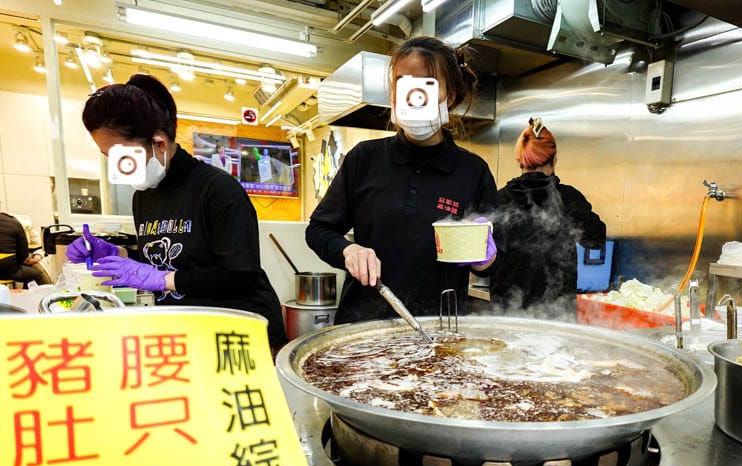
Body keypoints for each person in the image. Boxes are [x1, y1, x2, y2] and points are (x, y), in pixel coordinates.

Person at [66, 74, 286, 349]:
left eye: (123, 158)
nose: (118, 168)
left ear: (159, 143)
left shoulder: (218, 189)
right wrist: (116, 254)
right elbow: (170, 258)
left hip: (240, 335)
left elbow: (240, 276)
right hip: (188, 333)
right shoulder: (143, 197)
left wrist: (161, 279)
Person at [306, 36, 498, 324]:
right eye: (402, 83)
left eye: (427, 84)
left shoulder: (473, 171)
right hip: (361, 326)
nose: (414, 94)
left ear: (451, 95)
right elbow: (319, 229)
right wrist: (349, 250)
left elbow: (493, 267)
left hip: (437, 330)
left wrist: (486, 259)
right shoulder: (364, 159)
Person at [491, 117, 606, 317]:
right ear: (554, 159)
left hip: (507, 313)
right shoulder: (570, 199)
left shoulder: (499, 200)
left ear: (520, 162)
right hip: (558, 315)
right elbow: (596, 242)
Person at [0, 211, 52, 286]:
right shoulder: (15, 222)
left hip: (8, 268)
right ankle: (49, 295)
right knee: (37, 274)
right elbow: (23, 254)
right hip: (8, 271)